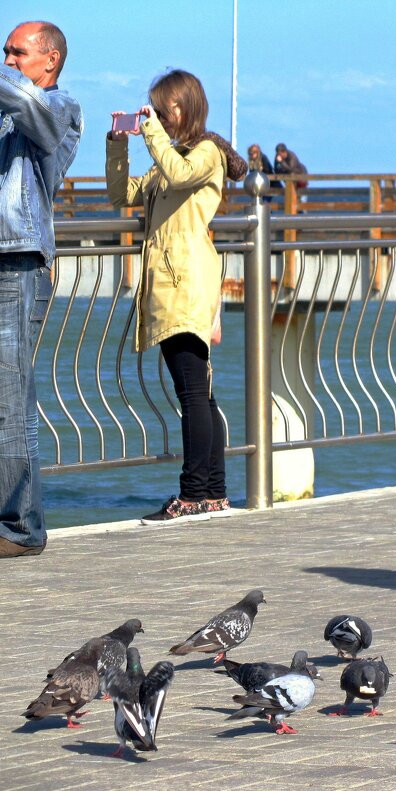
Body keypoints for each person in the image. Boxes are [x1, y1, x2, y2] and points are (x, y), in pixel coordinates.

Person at [106, 69, 247, 524]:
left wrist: (149, 132)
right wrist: (117, 144)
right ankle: (213, 493)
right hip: (168, 286)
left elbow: (179, 172)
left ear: (178, 109)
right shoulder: (168, 155)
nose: (156, 119)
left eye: (159, 111)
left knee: (193, 393)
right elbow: (119, 195)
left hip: (186, 281)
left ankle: (193, 493)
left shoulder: (204, 153)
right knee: (199, 394)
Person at [0, 21, 81, 559]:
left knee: (7, 403)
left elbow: (26, 103)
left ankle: (20, 528)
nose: (7, 59)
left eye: (16, 52)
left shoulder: (59, 108)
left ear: (50, 60)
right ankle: (4, 519)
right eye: (2, 52)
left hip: (14, 268)